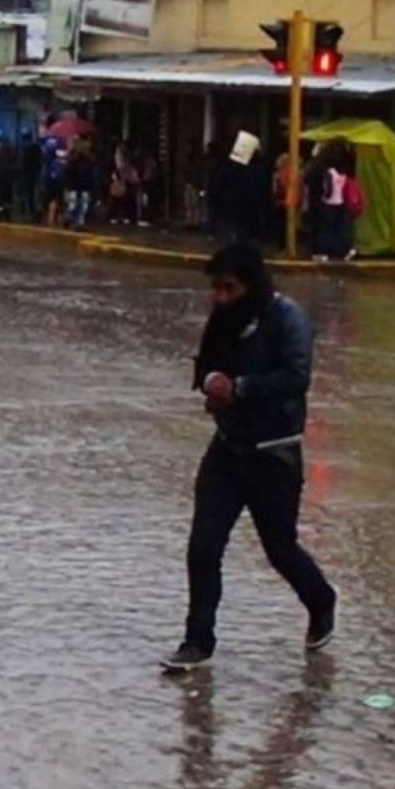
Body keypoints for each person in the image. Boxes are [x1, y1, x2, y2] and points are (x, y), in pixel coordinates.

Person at [162, 243, 337, 672]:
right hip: (227, 450)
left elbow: (296, 378)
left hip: (273, 455)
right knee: (203, 547)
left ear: (252, 285)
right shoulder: (222, 321)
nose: (220, 298)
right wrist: (212, 385)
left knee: (279, 548)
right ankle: (197, 641)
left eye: (229, 288)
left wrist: (240, 389)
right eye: (216, 289)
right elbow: (207, 367)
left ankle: (321, 600)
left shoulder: (288, 320)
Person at [63, 139, 97, 229]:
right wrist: (68, 186)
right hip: (75, 186)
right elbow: (69, 174)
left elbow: (91, 175)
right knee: (73, 205)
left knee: (83, 205)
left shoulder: (89, 161)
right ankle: (69, 218)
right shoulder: (74, 160)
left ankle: (79, 222)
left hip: (84, 186)